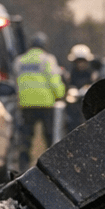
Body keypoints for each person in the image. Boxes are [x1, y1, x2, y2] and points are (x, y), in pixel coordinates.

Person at [11, 33, 65, 170]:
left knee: (26, 137)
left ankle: (23, 166)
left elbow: (16, 80)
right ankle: (52, 166)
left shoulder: (20, 61)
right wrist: (60, 94)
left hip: (26, 104)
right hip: (46, 103)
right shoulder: (47, 59)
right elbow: (54, 79)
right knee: (49, 136)